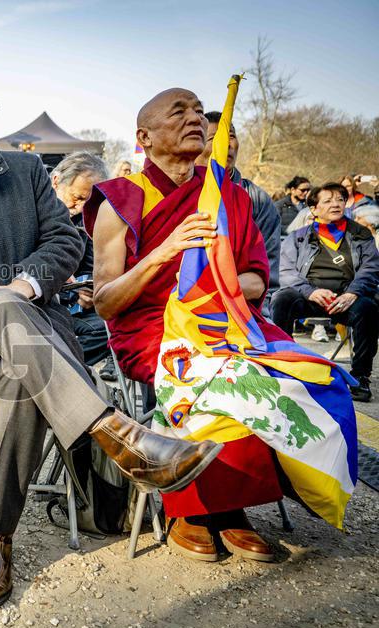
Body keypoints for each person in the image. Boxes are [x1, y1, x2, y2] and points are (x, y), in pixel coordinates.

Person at [0, 68, 221, 609]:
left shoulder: (22, 171)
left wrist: (22, 282)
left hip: (25, 340)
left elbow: (66, 243)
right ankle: (113, 431)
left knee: (18, 365)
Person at [85, 87, 353, 563]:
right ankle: (192, 508)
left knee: (307, 372)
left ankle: (234, 506)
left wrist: (211, 280)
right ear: (144, 137)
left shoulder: (227, 194)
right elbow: (106, 302)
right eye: (178, 111)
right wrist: (168, 251)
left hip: (227, 321)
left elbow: (255, 280)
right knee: (220, 373)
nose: (195, 118)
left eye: (197, 110)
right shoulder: (122, 199)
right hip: (153, 331)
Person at [272, 182, 379, 401]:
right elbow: (285, 271)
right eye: (328, 200)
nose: (336, 204)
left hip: (347, 297)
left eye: (340, 199)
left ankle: (360, 377)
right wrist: (309, 291)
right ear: (314, 209)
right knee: (281, 299)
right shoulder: (298, 236)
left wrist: (352, 293)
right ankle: (283, 367)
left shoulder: (361, 234)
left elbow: (371, 268)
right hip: (309, 295)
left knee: (368, 308)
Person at [196, 111, 281, 302]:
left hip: (243, 306)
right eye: (213, 138)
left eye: (231, 135)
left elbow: (267, 278)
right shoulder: (184, 192)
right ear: (196, 145)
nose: (226, 143)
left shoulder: (257, 200)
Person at [49, 151, 113, 374]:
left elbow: (90, 267)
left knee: (110, 328)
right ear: (56, 182)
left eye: (90, 201)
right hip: (38, 307)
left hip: (71, 308)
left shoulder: (88, 222)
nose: (82, 206)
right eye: (77, 197)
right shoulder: (32, 214)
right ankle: (51, 373)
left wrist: (89, 292)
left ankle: (57, 373)